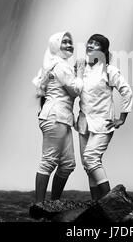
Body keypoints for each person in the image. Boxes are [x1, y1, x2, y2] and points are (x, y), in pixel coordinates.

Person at [76, 34, 133, 201]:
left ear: (103, 50)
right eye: (90, 42)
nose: (91, 45)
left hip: (103, 123)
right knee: (88, 166)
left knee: (91, 158)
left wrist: (122, 118)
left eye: (96, 44)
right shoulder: (83, 69)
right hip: (84, 122)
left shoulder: (109, 70)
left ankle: (110, 202)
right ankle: (96, 204)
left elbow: (126, 91)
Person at [32, 32, 85, 202]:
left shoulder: (53, 64)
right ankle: (39, 205)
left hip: (62, 118)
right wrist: (80, 73)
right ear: (55, 45)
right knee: (48, 161)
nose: (70, 45)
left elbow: (43, 90)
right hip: (55, 117)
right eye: (65, 42)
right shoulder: (60, 65)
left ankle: (54, 203)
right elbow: (75, 90)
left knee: (68, 164)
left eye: (71, 42)